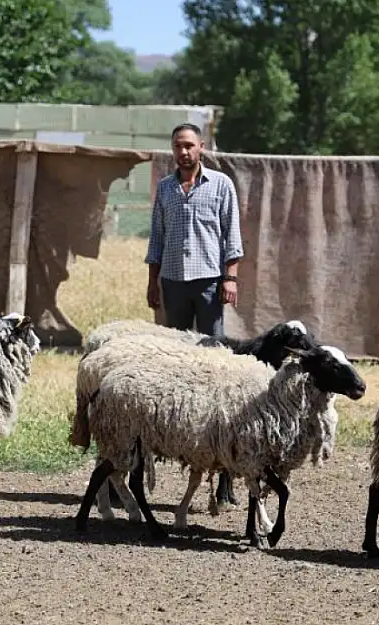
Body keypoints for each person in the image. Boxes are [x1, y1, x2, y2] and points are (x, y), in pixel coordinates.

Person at [145, 122, 245, 508]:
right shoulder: (167, 188)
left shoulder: (220, 186)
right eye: (177, 146)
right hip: (173, 281)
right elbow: (157, 236)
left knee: (215, 361)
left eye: (189, 145)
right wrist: (153, 281)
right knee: (175, 362)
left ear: (201, 147)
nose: (183, 152)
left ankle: (225, 473)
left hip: (208, 282)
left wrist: (230, 277)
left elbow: (231, 235)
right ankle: (175, 438)